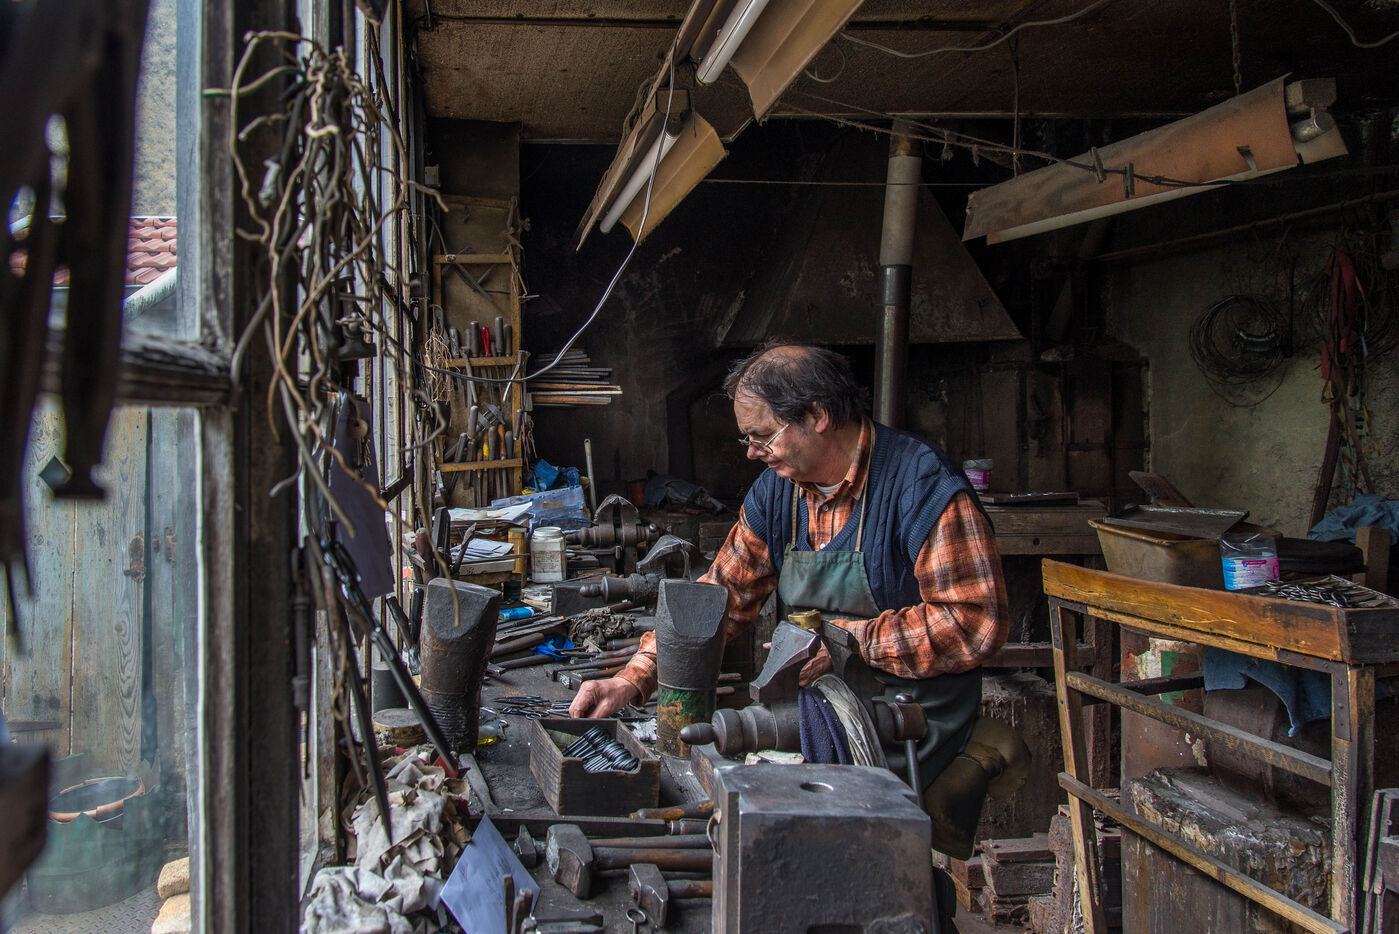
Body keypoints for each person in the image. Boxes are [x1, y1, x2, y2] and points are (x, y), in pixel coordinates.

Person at [572, 340, 1008, 775]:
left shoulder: (922, 487)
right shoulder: (775, 492)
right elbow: (717, 600)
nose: (751, 452)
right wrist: (631, 679)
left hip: (910, 721)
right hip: (819, 708)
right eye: (747, 438)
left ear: (818, 415)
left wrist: (847, 643)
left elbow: (973, 622)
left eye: (764, 436)